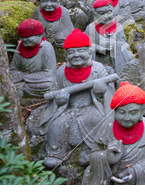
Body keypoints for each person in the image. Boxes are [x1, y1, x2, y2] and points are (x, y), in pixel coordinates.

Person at [39, 29, 113, 169]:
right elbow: (54, 90)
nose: (76, 55)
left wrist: (100, 93)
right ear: (65, 54)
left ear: (89, 52)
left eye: (80, 51)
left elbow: (109, 94)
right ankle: (56, 153)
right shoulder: (61, 71)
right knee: (57, 124)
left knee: (96, 120)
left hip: (92, 106)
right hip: (68, 108)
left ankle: (91, 150)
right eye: (71, 52)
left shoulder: (97, 69)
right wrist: (60, 100)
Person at [84, 82, 145, 185]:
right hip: (109, 176)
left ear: (141, 112)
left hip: (138, 178)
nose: (127, 117)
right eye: (121, 112)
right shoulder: (108, 126)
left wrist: (135, 171)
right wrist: (106, 157)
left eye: (133, 113)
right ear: (115, 112)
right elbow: (94, 154)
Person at [10, 19, 56, 103]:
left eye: (28, 37)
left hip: (38, 81)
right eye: (23, 37)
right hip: (23, 81)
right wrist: (19, 76)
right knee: (9, 83)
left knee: (49, 84)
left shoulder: (46, 47)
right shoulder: (20, 47)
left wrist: (25, 77)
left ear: (40, 35)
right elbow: (13, 69)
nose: (25, 39)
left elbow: (50, 73)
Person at [85, 0, 134, 74]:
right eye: (101, 13)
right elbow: (86, 47)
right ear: (95, 14)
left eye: (109, 12)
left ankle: (121, 74)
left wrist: (112, 43)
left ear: (113, 12)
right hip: (98, 59)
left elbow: (124, 45)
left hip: (116, 58)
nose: (106, 16)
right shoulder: (91, 28)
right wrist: (98, 47)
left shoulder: (118, 26)